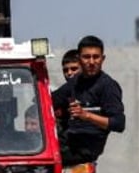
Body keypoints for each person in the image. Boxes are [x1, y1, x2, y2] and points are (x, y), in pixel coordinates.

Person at [51, 35, 125, 165]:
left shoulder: (108, 86)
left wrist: (86, 115)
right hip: (68, 140)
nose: (91, 62)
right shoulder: (75, 83)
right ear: (79, 59)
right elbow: (51, 100)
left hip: (86, 148)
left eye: (96, 57)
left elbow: (119, 123)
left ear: (103, 59)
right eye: (86, 57)